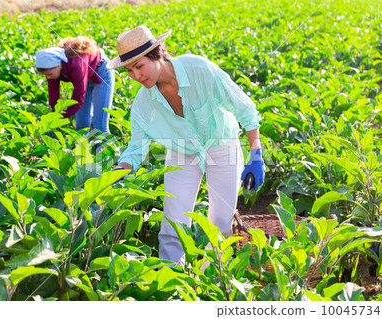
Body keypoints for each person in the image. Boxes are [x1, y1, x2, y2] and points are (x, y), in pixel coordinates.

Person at [107, 26, 265, 264]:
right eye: (129, 71)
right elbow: (136, 147)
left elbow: (245, 109)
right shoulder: (143, 103)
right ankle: (174, 284)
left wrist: (256, 153)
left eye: (139, 66)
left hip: (222, 146)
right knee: (173, 224)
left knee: (221, 223)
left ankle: (214, 279)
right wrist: (120, 170)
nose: (136, 76)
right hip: (182, 153)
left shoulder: (198, 69)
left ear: (157, 54)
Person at [35, 36, 115, 133]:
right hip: (84, 75)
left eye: (49, 74)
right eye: (45, 75)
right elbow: (53, 95)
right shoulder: (50, 70)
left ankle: (104, 148)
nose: (48, 78)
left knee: (99, 125)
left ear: (58, 65)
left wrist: (60, 117)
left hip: (102, 71)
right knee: (81, 125)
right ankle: (84, 148)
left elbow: (78, 99)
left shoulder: (76, 65)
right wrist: (53, 115)